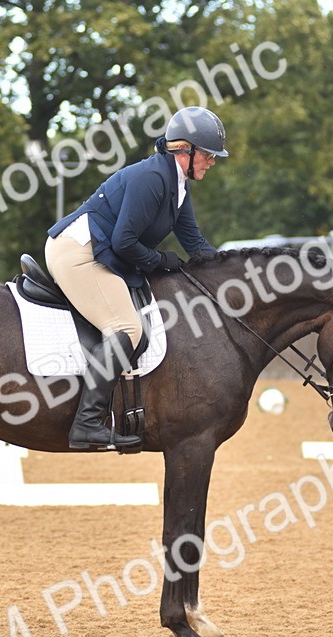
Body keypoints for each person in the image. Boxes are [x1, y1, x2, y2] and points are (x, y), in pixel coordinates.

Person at [45, 106, 227, 450]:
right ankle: (86, 423)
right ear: (184, 150)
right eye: (207, 155)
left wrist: (236, 268)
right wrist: (161, 261)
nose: (212, 162)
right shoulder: (152, 178)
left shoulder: (177, 185)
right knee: (128, 329)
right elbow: (124, 242)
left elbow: (196, 245)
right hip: (78, 251)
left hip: (103, 252)